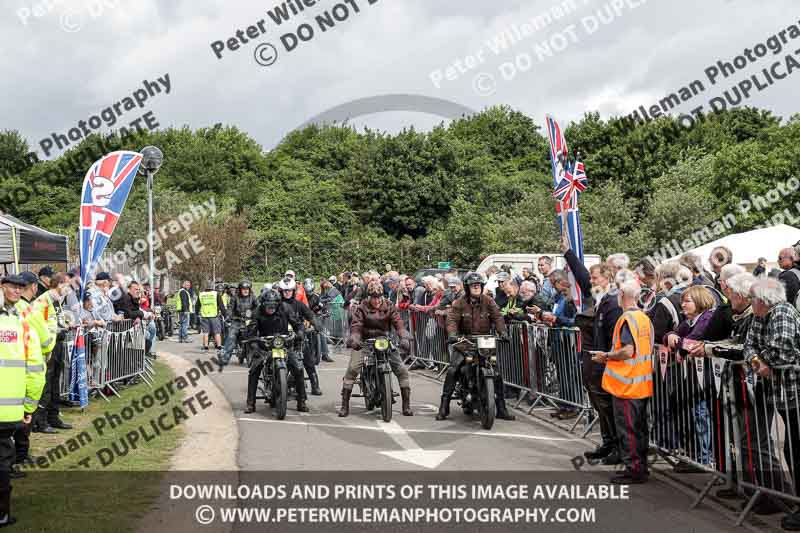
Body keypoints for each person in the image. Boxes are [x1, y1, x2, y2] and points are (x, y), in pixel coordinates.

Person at [744, 278, 800, 529]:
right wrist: (758, 362)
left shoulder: (783, 312)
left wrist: (760, 360)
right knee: (790, 449)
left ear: (763, 300)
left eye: (752, 299)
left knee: (795, 449)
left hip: (794, 391)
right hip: (781, 394)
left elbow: (782, 350)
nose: (749, 303)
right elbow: (748, 346)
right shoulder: (760, 316)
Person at [591, 281, 654, 484]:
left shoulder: (627, 318)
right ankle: (640, 468)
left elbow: (627, 351)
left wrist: (606, 356)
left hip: (627, 384)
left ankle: (634, 470)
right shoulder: (643, 318)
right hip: (641, 382)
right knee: (639, 429)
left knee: (629, 429)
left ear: (621, 294)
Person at [438, 272, 516, 422]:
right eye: (473, 285)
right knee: (453, 369)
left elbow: (498, 317)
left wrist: (503, 332)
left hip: (484, 341)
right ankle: (444, 406)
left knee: (497, 372)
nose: (476, 287)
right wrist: (453, 334)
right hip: (464, 340)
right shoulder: (459, 302)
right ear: (467, 287)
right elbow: (452, 319)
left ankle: (501, 408)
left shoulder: (489, 301)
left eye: (478, 285)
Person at [0, 274, 45, 528]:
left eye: (20, 287)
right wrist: (29, 407)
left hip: (9, 411)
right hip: (8, 412)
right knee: (3, 462)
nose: (16, 291)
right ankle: (2, 512)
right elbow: (36, 370)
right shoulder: (22, 324)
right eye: (12, 287)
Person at [340, 281, 413, 417]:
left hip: (384, 341)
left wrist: (403, 336)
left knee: (401, 370)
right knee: (353, 368)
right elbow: (356, 325)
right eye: (374, 297)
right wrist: (354, 338)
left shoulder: (389, 306)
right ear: (369, 297)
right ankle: (344, 405)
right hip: (365, 342)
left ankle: (406, 405)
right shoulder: (362, 307)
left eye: (379, 296)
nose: (377, 300)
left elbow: (398, 323)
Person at [7, 274, 47, 477]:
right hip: (19, 380)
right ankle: (18, 458)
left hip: (17, 381)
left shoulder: (18, 312)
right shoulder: (25, 311)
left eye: (19, 287)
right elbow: (44, 337)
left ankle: (18, 458)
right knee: (20, 425)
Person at [244, 290, 308, 414]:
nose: (270, 309)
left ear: (278, 304)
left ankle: (302, 401)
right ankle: (250, 403)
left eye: (273, 306)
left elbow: (297, 323)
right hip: (264, 345)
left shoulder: (285, 308)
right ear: (263, 304)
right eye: (268, 306)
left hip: (283, 344)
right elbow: (251, 330)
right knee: (254, 369)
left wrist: (300, 332)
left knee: (298, 368)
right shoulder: (257, 312)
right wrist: (253, 341)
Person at [32, 272, 73, 433]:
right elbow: (39, 324)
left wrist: (64, 325)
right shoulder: (43, 300)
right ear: (60, 284)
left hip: (57, 345)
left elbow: (54, 321)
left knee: (55, 382)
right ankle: (40, 422)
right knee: (46, 384)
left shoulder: (56, 301)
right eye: (67, 285)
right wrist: (58, 330)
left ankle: (53, 417)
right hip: (48, 348)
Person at [277, 278, 322, 396]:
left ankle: (315, 385)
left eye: (290, 290)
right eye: (285, 291)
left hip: (298, 337)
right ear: (281, 291)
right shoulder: (276, 304)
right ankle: (277, 384)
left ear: (293, 291)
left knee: (308, 359)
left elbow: (310, 314)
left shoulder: (299, 304)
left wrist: (316, 324)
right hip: (281, 339)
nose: (287, 293)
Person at [221, 280, 258, 367]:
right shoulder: (235, 297)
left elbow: (258, 306)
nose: (245, 290)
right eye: (243, 289)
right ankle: (225, 358)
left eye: (247, 289)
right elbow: (230, 308)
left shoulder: (253, 297)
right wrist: (228, 316)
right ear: (240, 289)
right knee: (231, 337)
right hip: (237, 321)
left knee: (257, 337)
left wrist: (258, 314)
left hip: (249, 321)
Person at [114, 281, 157, 357]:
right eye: (135, 289)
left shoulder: (134, 299)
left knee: (151, 329)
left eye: (138, 289)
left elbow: (135, 312)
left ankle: (144, 357)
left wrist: (138, 317)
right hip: (123, 330)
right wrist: (140, 314)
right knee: (147, 336)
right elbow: (129, 314)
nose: (137, 291)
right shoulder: (126, 298)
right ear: (129, 289)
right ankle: (141, 358)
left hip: (133, 327)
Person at [198, 283, 225, 353]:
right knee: (217, 332)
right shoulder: (216, 294)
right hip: (214, 316)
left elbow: (197, 305)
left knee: (205, 332)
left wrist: (196, 315)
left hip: (204, 316)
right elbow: (221, 305)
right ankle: (219, 348)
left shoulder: (201, 294)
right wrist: (225, 315)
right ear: (212, 287)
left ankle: (205, 348)